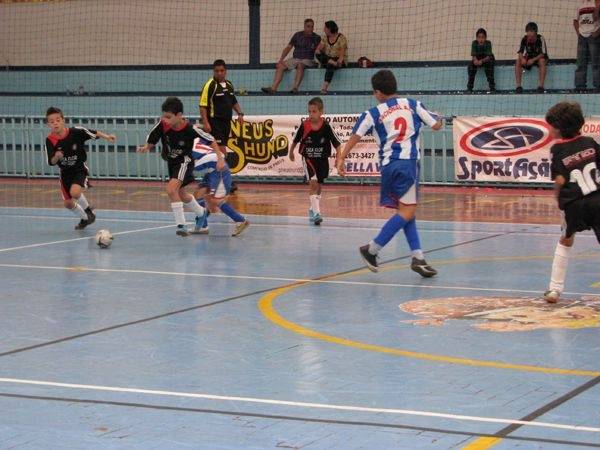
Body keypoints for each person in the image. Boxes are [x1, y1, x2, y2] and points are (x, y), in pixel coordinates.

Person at [336, 70, 442, 277]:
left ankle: (418, 257)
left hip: (388, 166)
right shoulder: (414, 104)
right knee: (407, 211)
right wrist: (438, 117)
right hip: (407, 165)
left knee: (406, 211)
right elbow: (437, 126)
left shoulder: (372, 113)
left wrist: (342, 158)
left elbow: (355, 136)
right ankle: (372, 249)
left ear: (377, 92)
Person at [137, 97, 223, 237]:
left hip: (184, 162)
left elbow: (211, 139)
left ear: (179, 115)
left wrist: (220, 159)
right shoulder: (163, 125)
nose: (165, 119)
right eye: (163, 116)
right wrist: (146, 147)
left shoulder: (190, 129)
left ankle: (181, 225)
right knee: (182, 194)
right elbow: (153, 138)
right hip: (172, 162)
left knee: (171, 189)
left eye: (168, 117)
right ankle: (202, 213)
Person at [543, 102, 600, 303]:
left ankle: (554, 290)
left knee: (566, 240)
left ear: (558, 128)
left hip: (574, 204)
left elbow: (559, 179)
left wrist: (558, 197)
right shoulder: (590, 143)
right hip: (597, 199)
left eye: (550, 125)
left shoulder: (557, 149)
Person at [45, 107, 116, 230]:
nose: (55, 123)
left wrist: (107, 136)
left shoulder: (76, 132)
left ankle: (88, 211)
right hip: (65, 173)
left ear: (63, 120)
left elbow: (93, 132)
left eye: (57, 120)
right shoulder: (50, 140)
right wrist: (56, 156)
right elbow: (51, 162)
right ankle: (85, 219)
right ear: (48, 124)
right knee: (67, 204)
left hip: (79, 168)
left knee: (75, 192)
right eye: (51, 121)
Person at [289, 97, 342, 225]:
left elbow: (337, 144)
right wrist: (291, 152)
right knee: (312, 183)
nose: (311, 114)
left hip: (322, 159)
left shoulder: (326, 126)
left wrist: (339, 158)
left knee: (319, 185)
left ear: (321, 112)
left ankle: (313, 208)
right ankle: (317, 213)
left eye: (314, 111)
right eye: (309, 111)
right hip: (308, 158)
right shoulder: (304, 125)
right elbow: (295, 140)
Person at [199, 59, 244, 193]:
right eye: (217, 71)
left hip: (226, 123)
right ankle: (226, 182)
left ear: (226, 71)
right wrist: (206, 122)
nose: (219, 73)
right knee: (221, 153)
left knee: (217, 154)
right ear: (214, 71)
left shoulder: (229, 85)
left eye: (222, 71)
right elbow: (203, 106)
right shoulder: (210, 85)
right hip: (214, 123)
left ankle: (209, 180)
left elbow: (233, 101)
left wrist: (240, 113)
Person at [190, 139, 249, 236]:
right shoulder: (195, 139)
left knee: (214, 200)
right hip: (211, 170)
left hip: (218, 170)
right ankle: (203, 226)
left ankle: (240, 220)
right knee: (198, 194)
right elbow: (209, 138)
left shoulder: (189, 160)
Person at [261, 19, 321, 94]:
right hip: (295, 58)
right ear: (304, 26)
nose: (310, 28)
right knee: (280, 66)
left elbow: (320, 50)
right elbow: (288, 47)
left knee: (300, 64)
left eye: (312, 27)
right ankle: (273, 88)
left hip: (308, 59)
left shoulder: (316, 38)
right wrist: (281, 59)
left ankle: (295, 88)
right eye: (308, 26)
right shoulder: (297, 35)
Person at [314, 21, 348, 94]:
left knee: (330, 65)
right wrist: (318, 49)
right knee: (317, 54)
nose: (324, 30)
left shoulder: (341, 38)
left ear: (330, 29)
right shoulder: (325, 38)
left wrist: (340, 59)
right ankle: (330, 61)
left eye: (325, 28)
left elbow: (342, 51)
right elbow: (318, 50)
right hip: (328, 59)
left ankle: (324, 88)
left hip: (337, 60)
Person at [515, 22, 549, 93]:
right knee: (518, 60)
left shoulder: (540, 38)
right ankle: (518, 86)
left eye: (531, 31)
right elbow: (520, 52)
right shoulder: (524, 39)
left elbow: (543, 53)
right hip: (529, 57)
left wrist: (533, 60)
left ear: (535, 32)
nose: (529, 33)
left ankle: (541, 86)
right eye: (528, 31)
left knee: (542, 61)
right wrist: (522, 59)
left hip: (538, 57)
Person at [574, 0, 600, 91]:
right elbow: (575, 21)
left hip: (594, 37)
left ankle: (598, 87)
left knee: (596, 63)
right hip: (582, 37)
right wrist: (579, 33)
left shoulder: (597, 3)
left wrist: (597, 32)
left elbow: (596, 18)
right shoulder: (579, 4)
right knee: (580, 63)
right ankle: (580, 87)